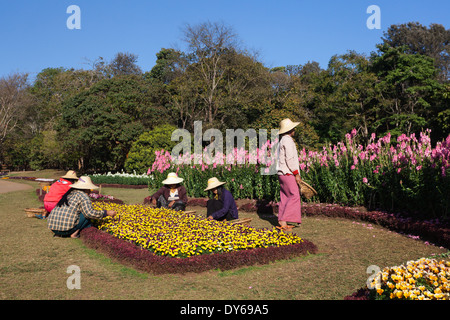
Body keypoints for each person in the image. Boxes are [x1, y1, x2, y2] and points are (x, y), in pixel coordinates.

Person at [47, 176, 116, 238]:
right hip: (67, 230)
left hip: (53, 228)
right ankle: (75, 232)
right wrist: (106, 213)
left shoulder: (69, 193)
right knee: (86, 214)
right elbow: (89, 213)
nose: (90, 191)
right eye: (90, 189)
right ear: (86, 189)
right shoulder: (83, 196)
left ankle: (58, 234)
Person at [276, 118, 302, 230]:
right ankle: (284, 219)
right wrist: (296, 173)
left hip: (281, 173)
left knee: (285, 197)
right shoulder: (288, 140)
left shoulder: (282, 140)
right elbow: (290, 159)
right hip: (288, 173)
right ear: (290, 130)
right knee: (294, 195)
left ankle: (283, 222)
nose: (294, 130)